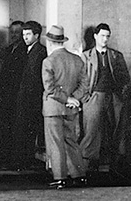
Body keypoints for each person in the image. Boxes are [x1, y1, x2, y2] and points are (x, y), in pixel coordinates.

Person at [41, 25, 89, 189]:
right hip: (71, 108)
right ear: (62, 41)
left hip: (53, 109)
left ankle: (60, 177)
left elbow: (50, 88)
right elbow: (85, 85)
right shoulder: (77, 60)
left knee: (55, 143)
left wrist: (66, 98)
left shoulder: (48, 61)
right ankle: (79, 175)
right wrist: (73, 99)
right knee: (71, 141)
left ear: (50, 42)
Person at [80, 23, 130, 173]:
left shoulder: (116, 56)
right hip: (94, 96)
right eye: (102, 36)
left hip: (113, 96)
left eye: (107, 36)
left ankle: (114, 166)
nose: (105, 39)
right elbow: (81, 79)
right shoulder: (86, 56)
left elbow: (125, 77)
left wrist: (120, 92)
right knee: (92, 130)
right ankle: (89, 166)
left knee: (115, 130)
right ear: (95, 36)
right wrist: (85, 97)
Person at [14, 20, 47, 169]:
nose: (25, 37)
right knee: (24, 130)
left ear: (37, 35)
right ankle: (24, 160)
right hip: (25, 98)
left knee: (29, 130)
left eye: (28, 34)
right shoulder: (26, 50)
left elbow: (36, 79)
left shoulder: (40, 52)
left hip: (32, 99)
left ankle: (27, 161)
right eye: (23, 34)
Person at [0, 21, 25, 168]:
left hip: (16, 96)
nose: (13, 35)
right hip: (5, 97)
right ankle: (4, 158)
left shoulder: (25, 51)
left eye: (17, 32)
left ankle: (13, 161)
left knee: (15, 131)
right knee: (4, 129)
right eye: (11, 32)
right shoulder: (8, 50)